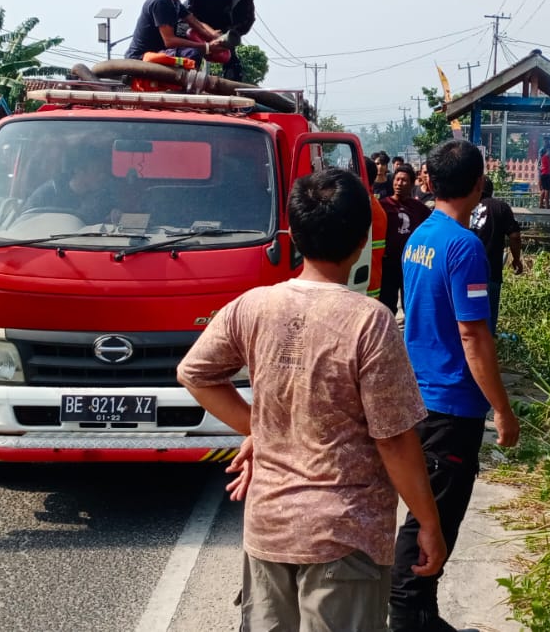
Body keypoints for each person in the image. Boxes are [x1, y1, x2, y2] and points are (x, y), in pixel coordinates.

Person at [178, 168, 446, 631]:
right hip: (344, 538)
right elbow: (394, 440)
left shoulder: (253, 305)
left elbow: (195, 373)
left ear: (295, 234)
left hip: (268, 530)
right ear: (364, 238)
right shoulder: (370, 321)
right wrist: (429, 521)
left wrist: (258, 429)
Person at [390, 140, 520, 632]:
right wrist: (503, 411)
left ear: (429, 182)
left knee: (430, 510)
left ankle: (421, 612)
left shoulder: (421, 235)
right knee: (433, 518)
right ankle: (408, 616)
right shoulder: (464, 247)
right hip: (451, 403)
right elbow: (473, 335)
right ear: (479, 186)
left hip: (420, 393)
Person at [124, 0, 224, 62]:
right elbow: (170, 41)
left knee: (195, 50)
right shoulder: (160, 1)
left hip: (158, 52)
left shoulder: (174, 1)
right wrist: (205, 47)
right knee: (192, 53)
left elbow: (195, 23)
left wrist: (214, 36)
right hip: (141, 57)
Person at [186, 0, 256, 82]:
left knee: (234, 67)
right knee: (189, 58)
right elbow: (188, 14)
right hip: (193, 26)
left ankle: (232, 94)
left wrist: (228, 36)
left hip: (222, 34)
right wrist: (208, 33)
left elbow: (247, 21)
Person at [468, 177, 523, 334]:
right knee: (489, 312)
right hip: (491, 269)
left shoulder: (465, 206)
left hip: (467, 270)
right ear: (491, 191)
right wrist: (516, 259)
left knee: (468, 313)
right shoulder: (501, 207)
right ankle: (489, 346)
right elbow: (515, 236)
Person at [378, 165, 431, 314]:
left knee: (410, 304)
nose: (399, 183)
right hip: (388, 264)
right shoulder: (383, 205)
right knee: (387, 305)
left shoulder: (418, 208)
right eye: (397, 179)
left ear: (412, 183)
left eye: (404, 181)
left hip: (410, 263)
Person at [23, 153, 118, 224]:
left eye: (104, 172)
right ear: (79, 171)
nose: (103, 176)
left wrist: (117, 215)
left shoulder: (103, 197)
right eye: (97, 171)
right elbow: (24, 223)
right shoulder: (46, 194)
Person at [536, 143, 550, 209]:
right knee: (547, 190)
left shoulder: (543, 157)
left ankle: (541, 204)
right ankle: (547, 205)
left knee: (543, 190)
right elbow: (548, 167)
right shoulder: (546, 158)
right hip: (546, 174)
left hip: (543, 174)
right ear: (548, 149)